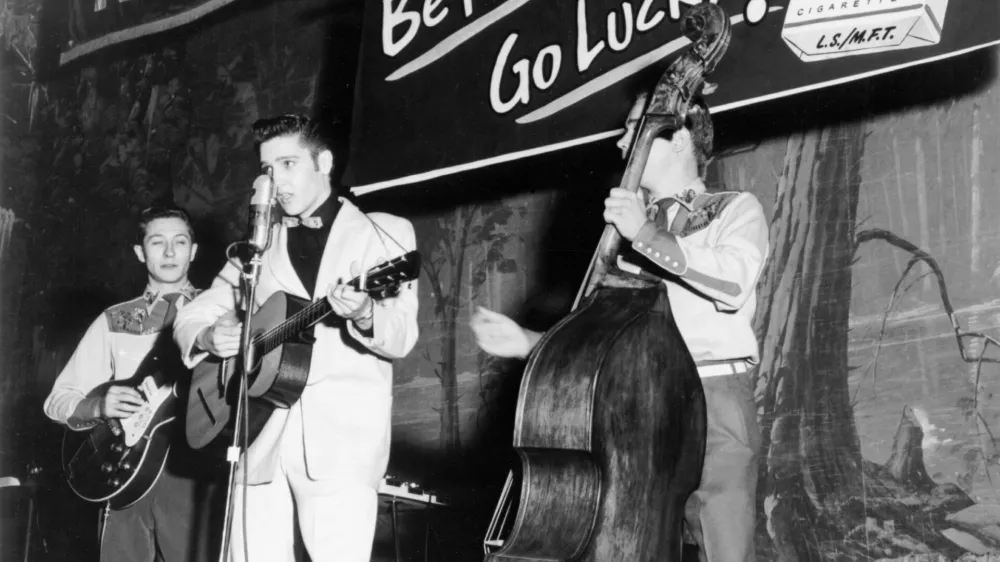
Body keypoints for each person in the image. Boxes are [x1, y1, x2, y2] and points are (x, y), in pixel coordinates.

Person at [471, 91, 769, 562]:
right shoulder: (616, 235)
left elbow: (733, 283)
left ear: (680, 139)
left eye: (637, 127)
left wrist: (647, 237)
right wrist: (530, 343)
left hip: (714, 398)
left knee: (725, 550)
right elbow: (598, 339)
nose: (622, 141)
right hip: (634, 406)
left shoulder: (734, 209)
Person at [173, 114, 419, 562]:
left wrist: (365, 313)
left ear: (323, 161)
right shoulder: (257, 244)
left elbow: (401, 335)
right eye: (267, 170)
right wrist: (210, 336)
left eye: (288, 164)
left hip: (341, 441)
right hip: (256, 434)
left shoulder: (384, 232)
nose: (276, 181)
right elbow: (195, 312)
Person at [43, 206, 218, 562]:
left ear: (194, 251)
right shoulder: (114, 319)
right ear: (140, 252)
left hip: (194, 473)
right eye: (157, 242)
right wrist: (97, 405)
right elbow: (57, 399)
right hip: (126, 475)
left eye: (179, 242)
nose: (169, 253)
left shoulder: (220, 312)